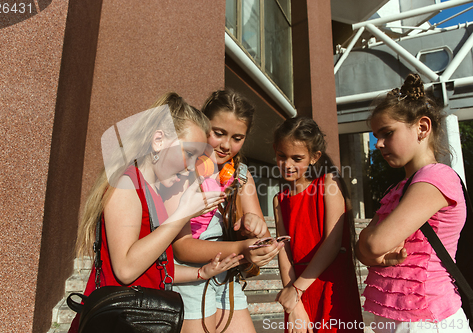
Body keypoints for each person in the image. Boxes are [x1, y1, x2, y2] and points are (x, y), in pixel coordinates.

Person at [68, 92, 240, 332]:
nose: (192, 166)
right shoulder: (126, 185)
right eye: (189, 153)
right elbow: (126, 270)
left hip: (138, 319)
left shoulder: (153, 191)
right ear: (158, 140)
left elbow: (156, 267)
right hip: (116, 321)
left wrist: (201, 272)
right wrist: (183, 215)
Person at [356, 73, 471, 333]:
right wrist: (368, 248)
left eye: (387, 133)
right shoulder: (396, 189)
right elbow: (362, 252)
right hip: (396, 317)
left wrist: (370, 246)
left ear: (422, 127)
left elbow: (373, 244)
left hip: (428, 318)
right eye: (376, 136)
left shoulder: (436, 177)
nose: (379, 144)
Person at [165, 89, 282, 333]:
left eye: (237, 138)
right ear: (202, 124)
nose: (226, 145)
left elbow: (260, 236)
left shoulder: (241, 175)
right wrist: (241, 248)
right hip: (189, 278)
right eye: (218, 133)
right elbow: (181, 246)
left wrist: (254, 227)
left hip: (225, 278)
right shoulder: (183, 170)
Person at [273, 117, 363, 333]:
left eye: (297, 158)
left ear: (314, 157)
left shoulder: (329, 183)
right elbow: (283, 250)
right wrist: (293, 301)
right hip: (298, 290)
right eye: (281, 156)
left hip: (329, 284)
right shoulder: (280, 199)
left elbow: (332, 243)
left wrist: (296, 289)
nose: (288, 164)